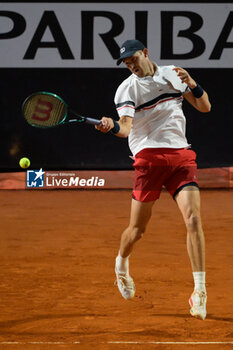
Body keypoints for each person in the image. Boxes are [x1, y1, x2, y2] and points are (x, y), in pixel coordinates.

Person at [95, 39, 211, 320]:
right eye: (126, 63)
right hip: (149, 160)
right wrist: (111, 127)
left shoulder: (173, 73)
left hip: (181, 156)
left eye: (133, 58)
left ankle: (200, 291)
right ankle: (121, 264)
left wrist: (193, 82)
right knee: (137, 230)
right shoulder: (127, 88)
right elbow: (125, 129)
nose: (131, 65)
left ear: (145, 53)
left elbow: (204, 106)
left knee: (194, 219)